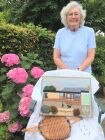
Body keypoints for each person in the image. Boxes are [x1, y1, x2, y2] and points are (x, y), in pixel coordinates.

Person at [53, 1, 96, 73]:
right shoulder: (60, 33)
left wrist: (78, 71)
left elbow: (91, 56)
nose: (73, 17)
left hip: (83, 74)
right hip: (63, 74)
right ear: (66, 17)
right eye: (70, 14)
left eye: (76, 14)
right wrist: (68, 72)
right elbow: (56, 57)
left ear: (81, 16)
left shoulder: (89, 32)